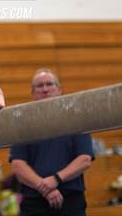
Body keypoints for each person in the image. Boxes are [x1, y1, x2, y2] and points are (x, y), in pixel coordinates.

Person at [9, 69, 94, 216]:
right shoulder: (23, 123)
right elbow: (17, 165)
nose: (45, 89)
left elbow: (84, 159)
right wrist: (44, 187)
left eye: (49, 84)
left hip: (70, 200)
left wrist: (56, 179)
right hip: (34, 201)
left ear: (60, 90)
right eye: (39, 86)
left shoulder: (76, 119)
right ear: (33, 93)